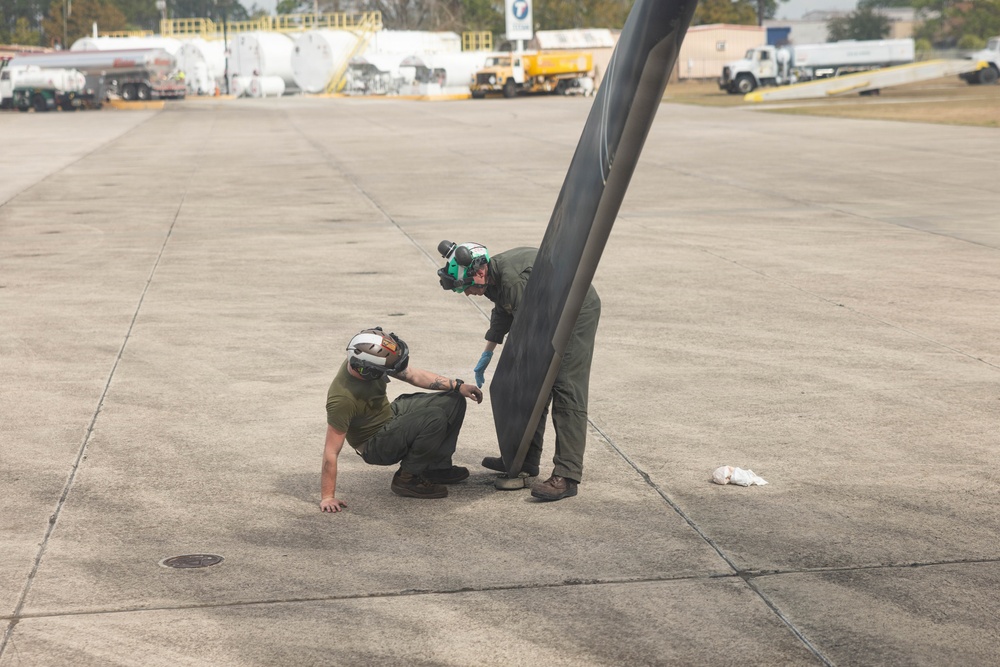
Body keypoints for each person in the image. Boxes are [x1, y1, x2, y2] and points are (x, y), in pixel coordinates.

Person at [436, 241, 601, 502]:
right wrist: (487, 352)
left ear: (478, 273)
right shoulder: (492, 273)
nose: (467, 293)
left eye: (466, 288)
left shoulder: (512, 281)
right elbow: (503, 310)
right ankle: (524, 460)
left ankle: (567, 475)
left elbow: (530, 329)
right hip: (549, 311)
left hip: (575, 311)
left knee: (565, 387)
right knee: (533, 386)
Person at [321, 327, 483, 512]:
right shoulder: (342, 400)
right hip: (375, 444)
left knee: (453, 399)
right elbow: (331, 451)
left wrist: (457, 385)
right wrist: (328, 496)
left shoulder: (365, 357)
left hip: (388, 415)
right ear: (368, 371)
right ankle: (407, 479)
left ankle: (436, 467)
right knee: (433, 418)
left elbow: (413, 375)